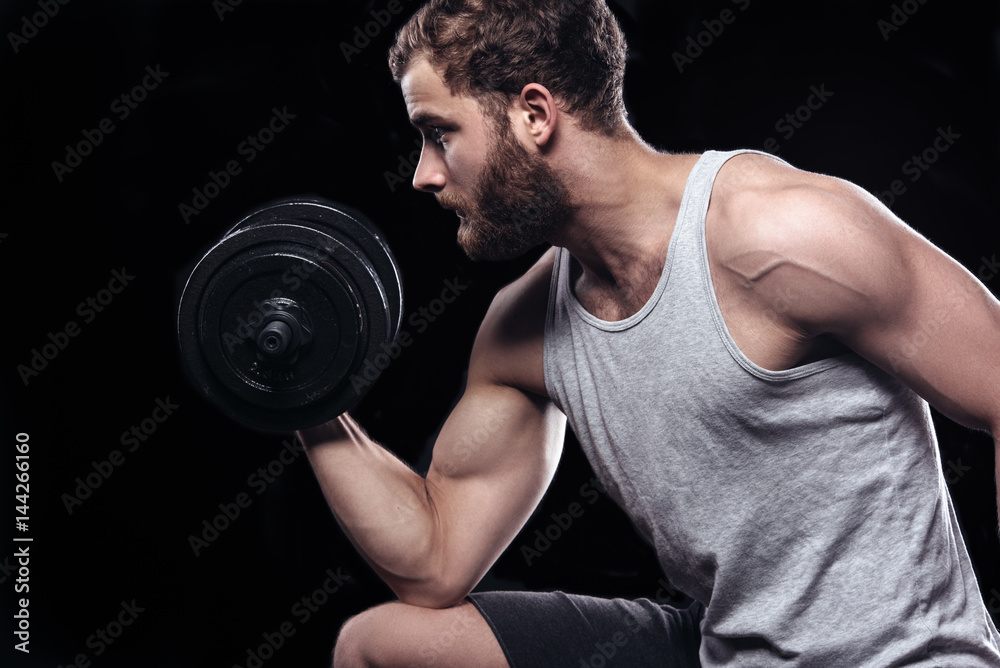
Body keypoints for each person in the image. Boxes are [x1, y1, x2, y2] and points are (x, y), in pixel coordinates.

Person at [297, 0, 1000, 665]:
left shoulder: (779, 233)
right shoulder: (523, 327)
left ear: (534, 114)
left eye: (438, 133)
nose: (423, 174)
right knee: (382, 645)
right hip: (722, 647)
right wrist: (303, 393)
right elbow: (435, 560)